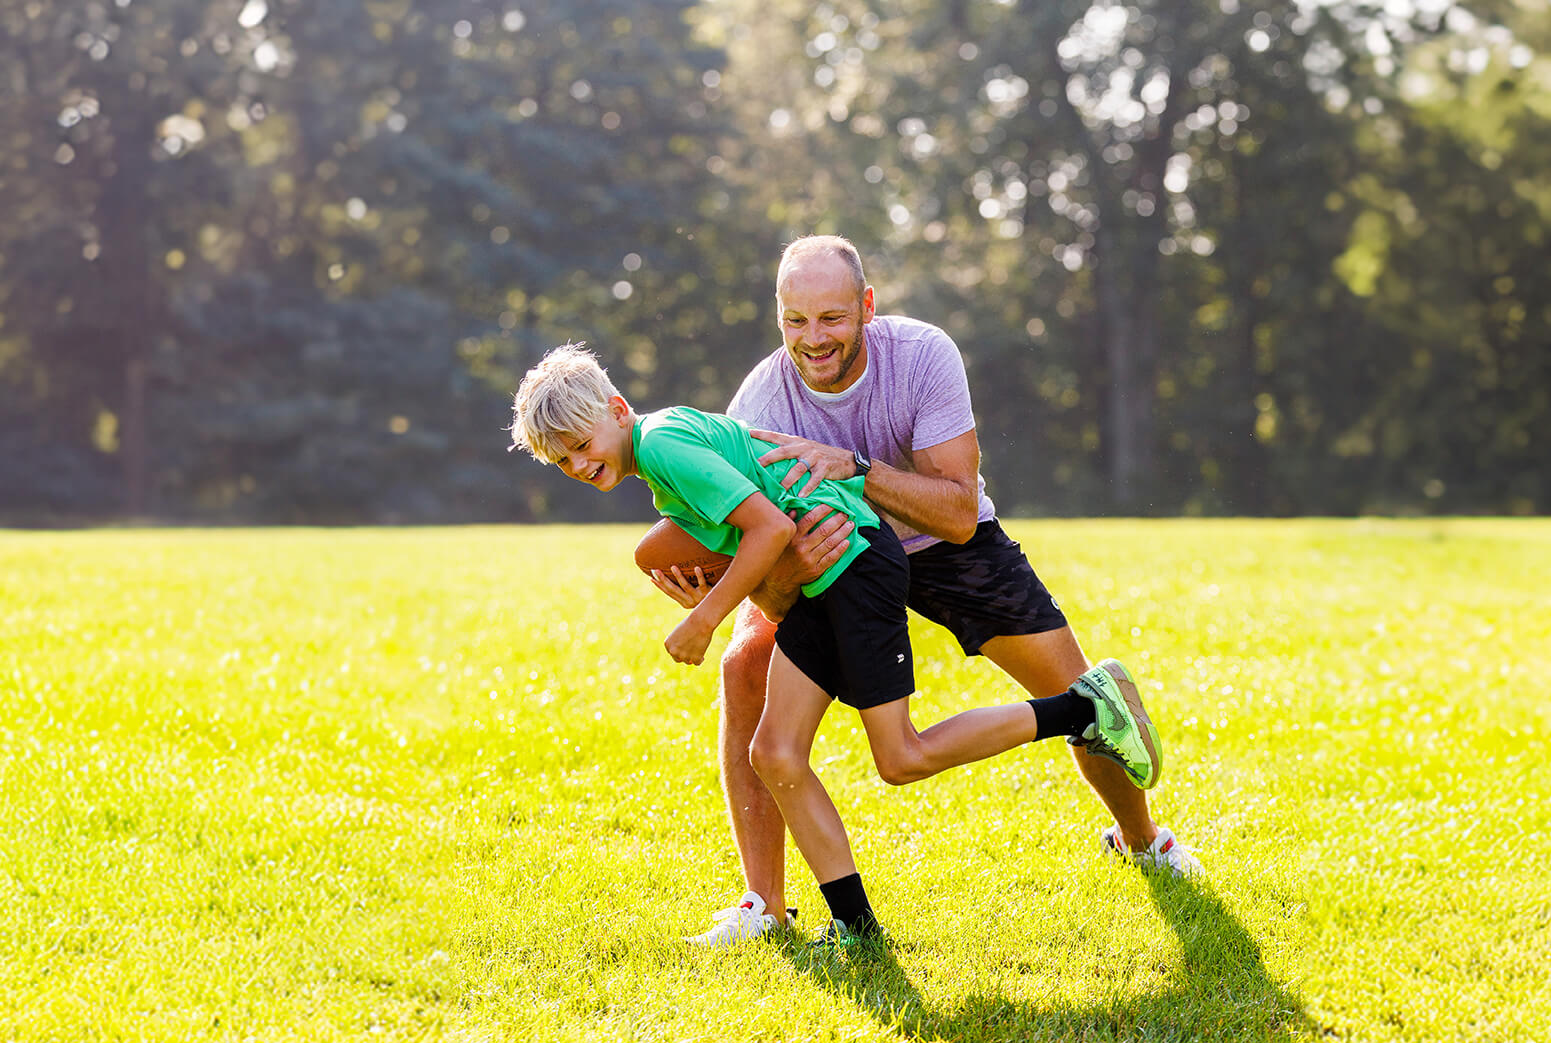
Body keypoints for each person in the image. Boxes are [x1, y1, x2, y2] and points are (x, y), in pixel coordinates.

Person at [509, 344, 1162, 951]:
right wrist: (691, 579)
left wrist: (705, 618)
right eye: (561, 460)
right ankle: (857, 931)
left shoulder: (664, 444)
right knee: (775, 752)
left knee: (901, 757)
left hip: (855, 564)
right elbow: (758, 536)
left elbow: (767, 530)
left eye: (581, 444)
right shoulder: (660, 460)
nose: (578, 464)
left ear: (618, 411)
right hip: (827, 576)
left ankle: (1081, 710)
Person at [665, 235, 1203, 950]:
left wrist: (854, 469)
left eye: (830, 318)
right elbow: (764, 571)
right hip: (838, 562)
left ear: (866, 307)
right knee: (743, 667)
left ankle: (1142, 840)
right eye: (795, 321)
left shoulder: (922, 355)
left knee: (1075, 687)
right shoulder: (759, 403)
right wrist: (739, 588)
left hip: (941, 542)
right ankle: (763, 904)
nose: (813, 339)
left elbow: (955, 512)